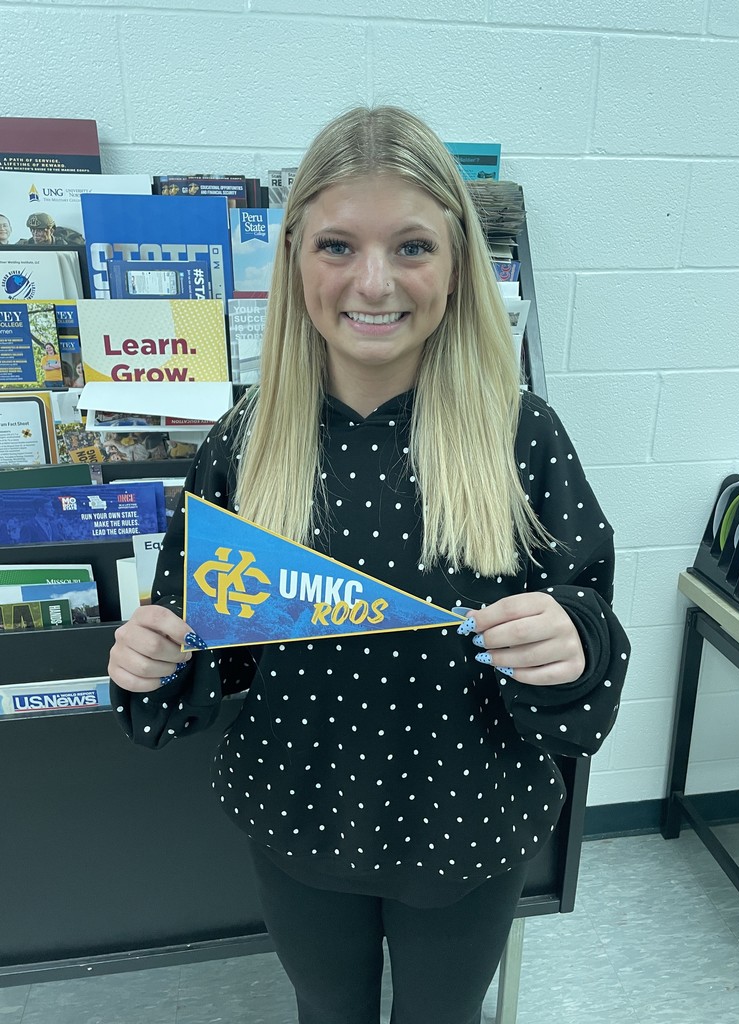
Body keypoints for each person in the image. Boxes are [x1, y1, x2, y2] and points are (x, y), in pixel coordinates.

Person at [108, 105, 630, 1024]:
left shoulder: (522, 437)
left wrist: (574, 640)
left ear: (459, 262)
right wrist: (152, 661)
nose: (374, 282)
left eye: (414, 248)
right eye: (339, 245)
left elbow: (590, 606)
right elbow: (202, 642)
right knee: (326, 1009)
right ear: (295, 258)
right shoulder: (245, 442)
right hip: (300, 812)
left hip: (468, 820)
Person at [18, 211, 85, 247]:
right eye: (32, 229)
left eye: (40, 230)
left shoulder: (66, 246)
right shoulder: (24, 245)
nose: (35, 233)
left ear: (51, 231)